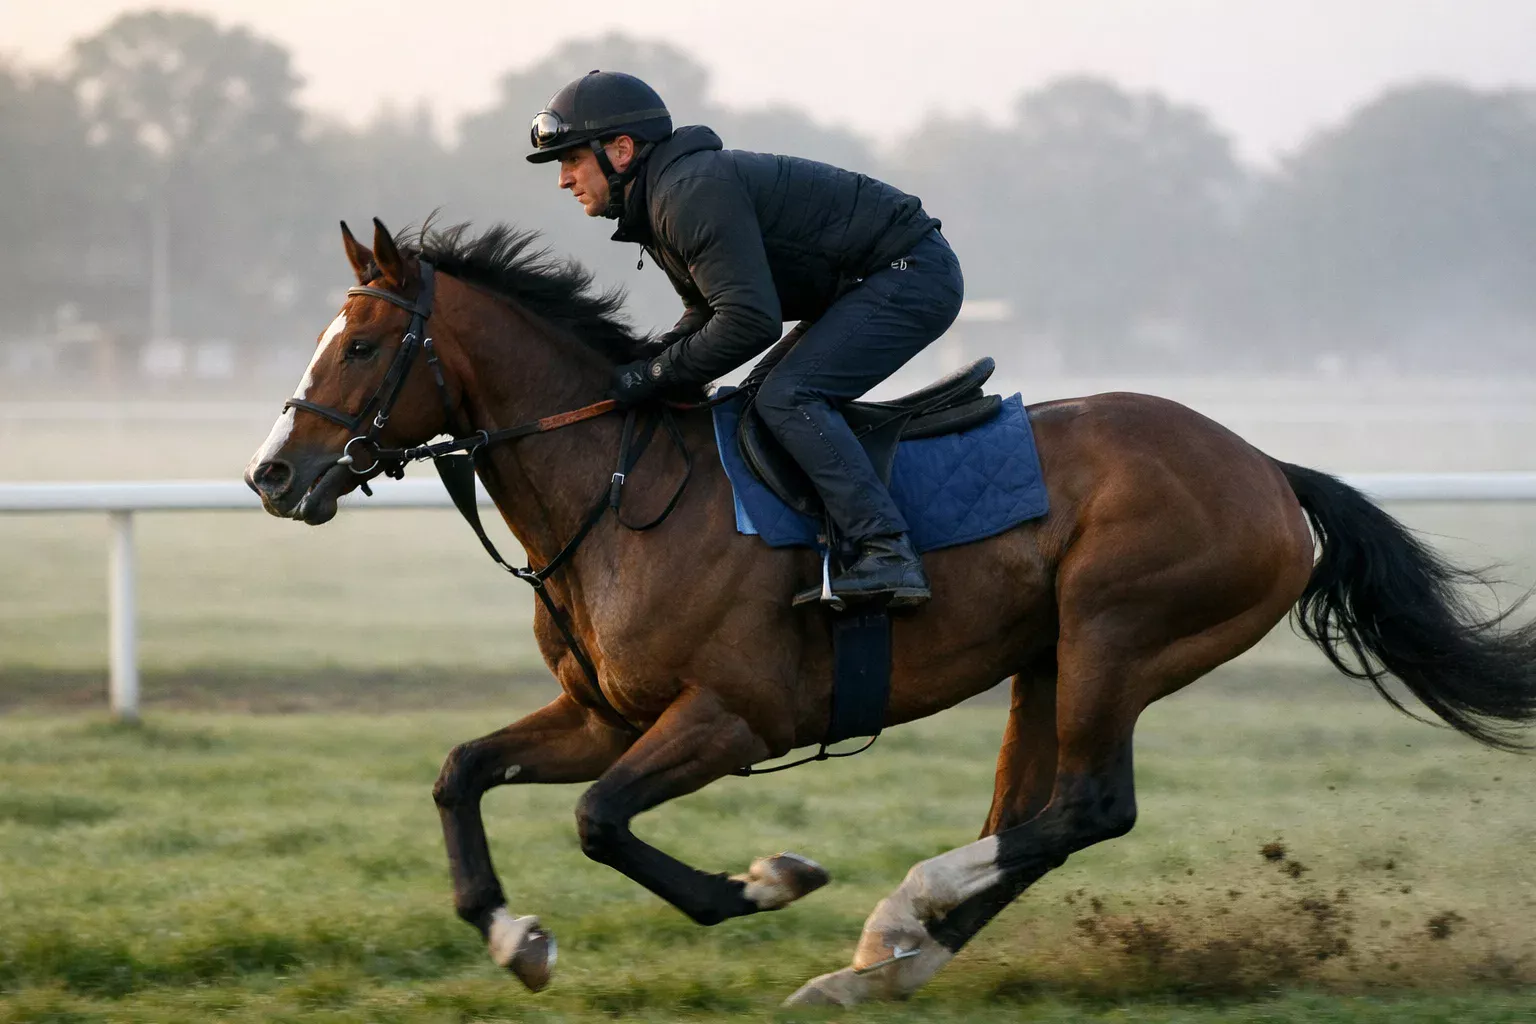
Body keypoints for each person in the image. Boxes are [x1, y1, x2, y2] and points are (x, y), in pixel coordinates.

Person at [527, 70, 963, 607]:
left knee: (788, 396)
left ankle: (886, 550)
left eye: (572, 160)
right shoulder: (664, 197)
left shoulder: (685, 195)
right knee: (759, 398)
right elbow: (706, 312)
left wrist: (653, 374)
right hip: (865, 281)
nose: (564, 179)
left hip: (910, 271)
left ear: (620, 150)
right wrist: (641, 364)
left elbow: (749, 322)